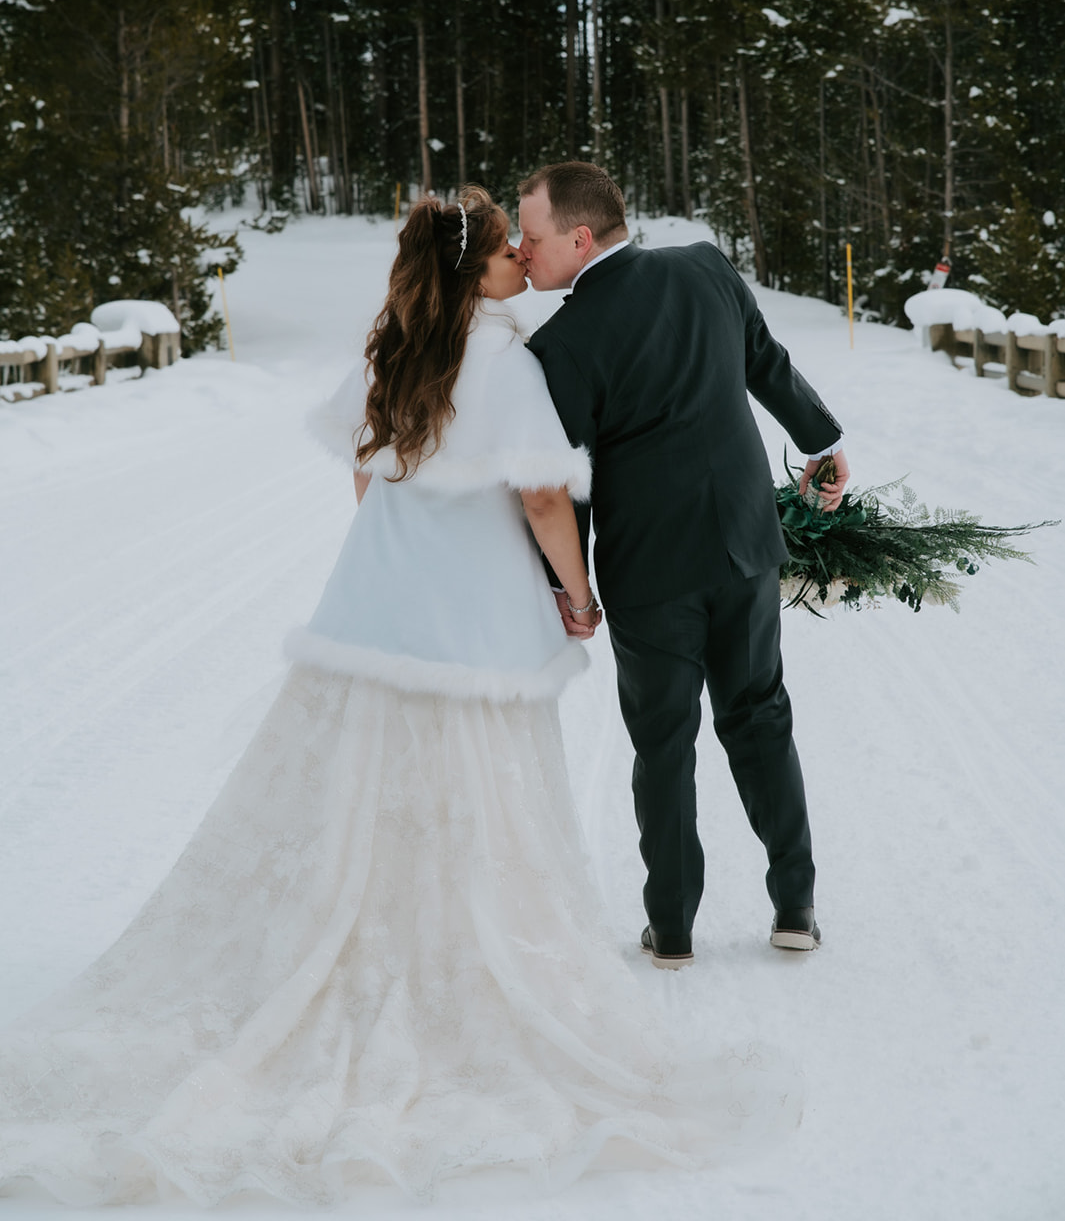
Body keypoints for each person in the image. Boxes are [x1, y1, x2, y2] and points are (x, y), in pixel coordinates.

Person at [0, 186, 795, 1208]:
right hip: (472, 626)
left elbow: (368, 480)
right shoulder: (506, 363)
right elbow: (545, 493)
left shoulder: (390, 351)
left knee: (355, 794)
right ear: (476, 271)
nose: (520, 257)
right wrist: (580, 591)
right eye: (505, 249)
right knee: (478, 793)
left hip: (372, 614)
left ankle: (351, 935)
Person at [518, 162, 849, 969]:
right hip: (742, 544)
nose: (520, 251)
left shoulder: (557, 344)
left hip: (647, 569)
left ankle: (669, 928)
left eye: (531, 236)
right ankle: (795, 908)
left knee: (662, 743)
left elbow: (567, 481)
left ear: (580, 236)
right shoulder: (705, 264)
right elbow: (764, 362)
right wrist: (822, 443)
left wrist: (574, 587)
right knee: (759, 717)